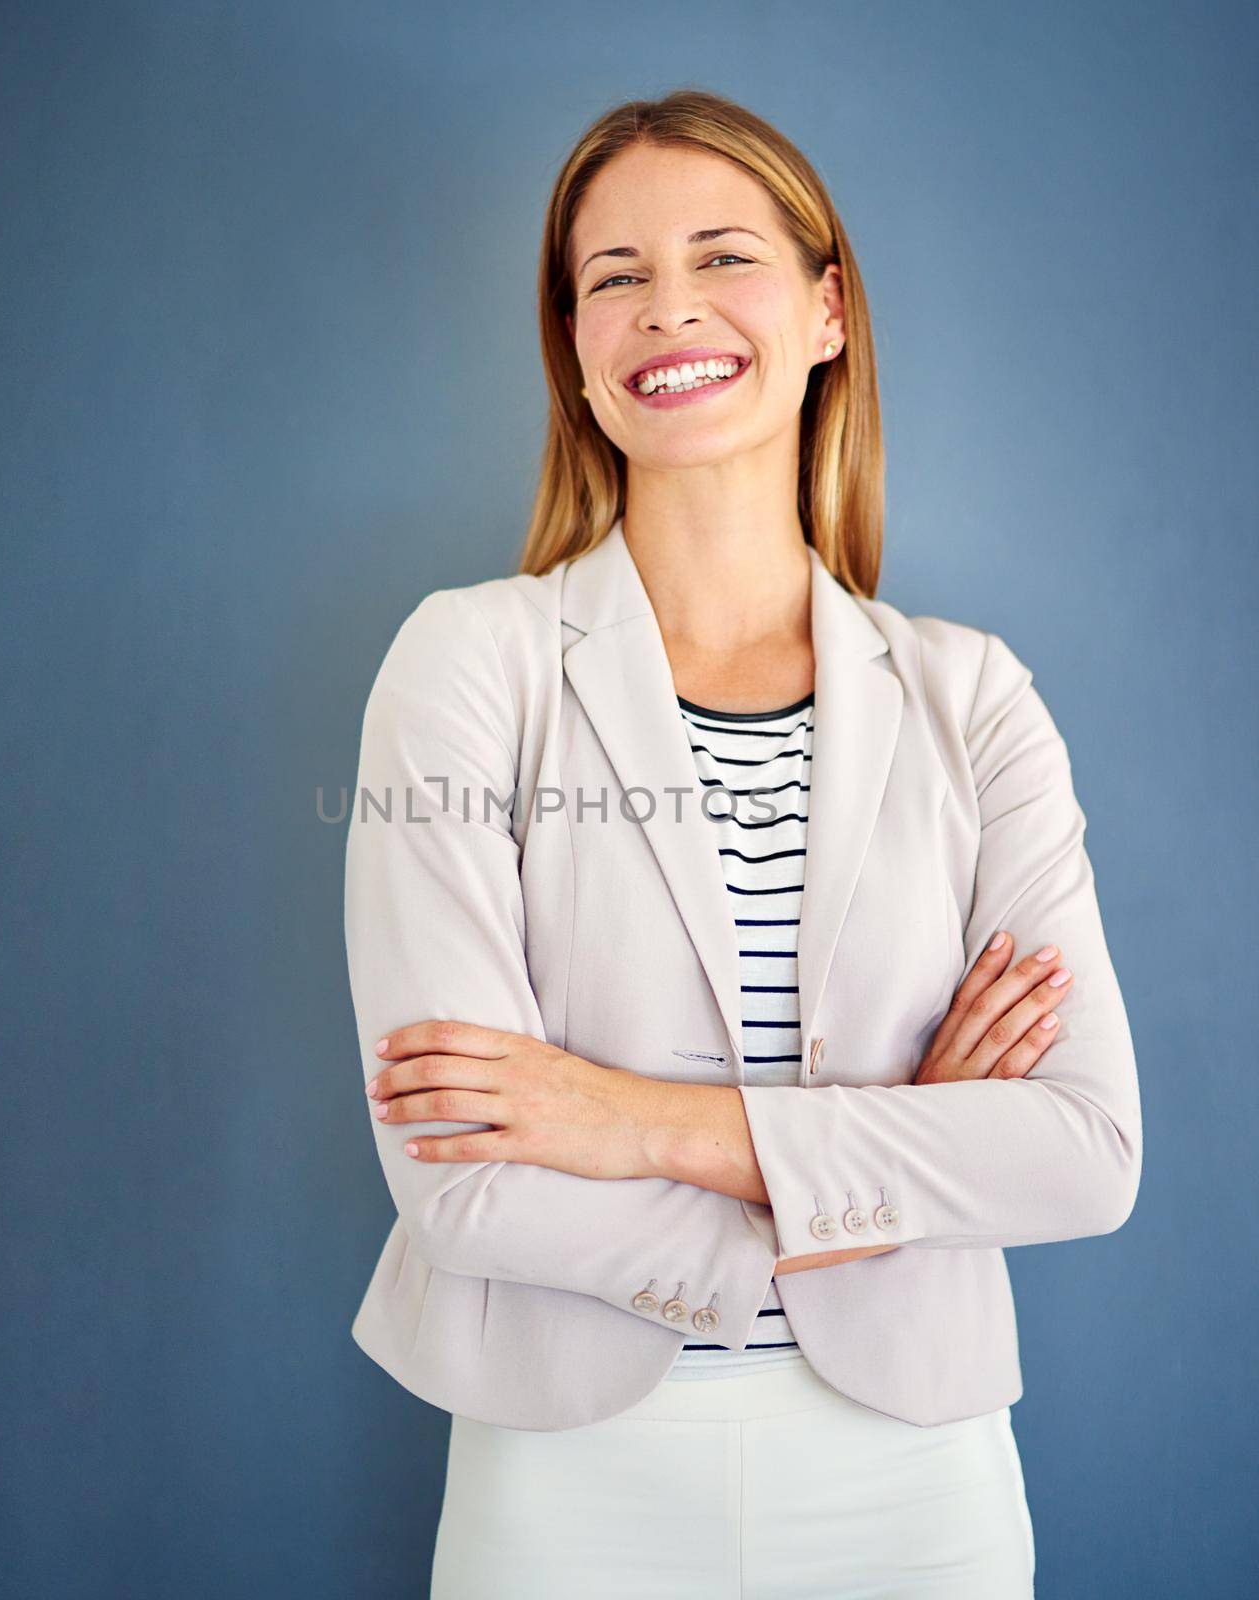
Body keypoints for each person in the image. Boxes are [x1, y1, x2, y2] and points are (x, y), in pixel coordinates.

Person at [342, 88, 1141, 1598]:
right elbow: (460, 1175)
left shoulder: (974, 697)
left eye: (724, 258)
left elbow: (1084, 1153)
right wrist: (900, 1157)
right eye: (615, 278)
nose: (669, 310)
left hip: (919, 1484)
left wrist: (627, 1117)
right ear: (574, 352)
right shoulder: (466, 665)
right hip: (564, 1482)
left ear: (829, 310)